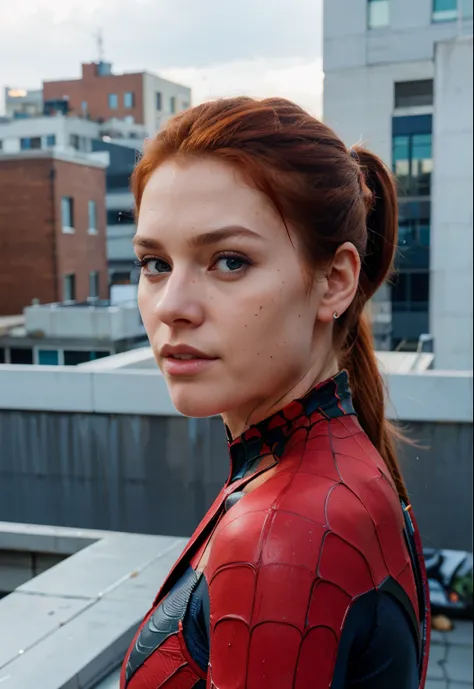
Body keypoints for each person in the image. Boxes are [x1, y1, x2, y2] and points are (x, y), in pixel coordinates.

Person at [120, 97, 431, 689]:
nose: (171, 307)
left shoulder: (282, 531)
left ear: (334, 281)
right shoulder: (329, 469)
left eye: (229, 261)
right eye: (155, 263)